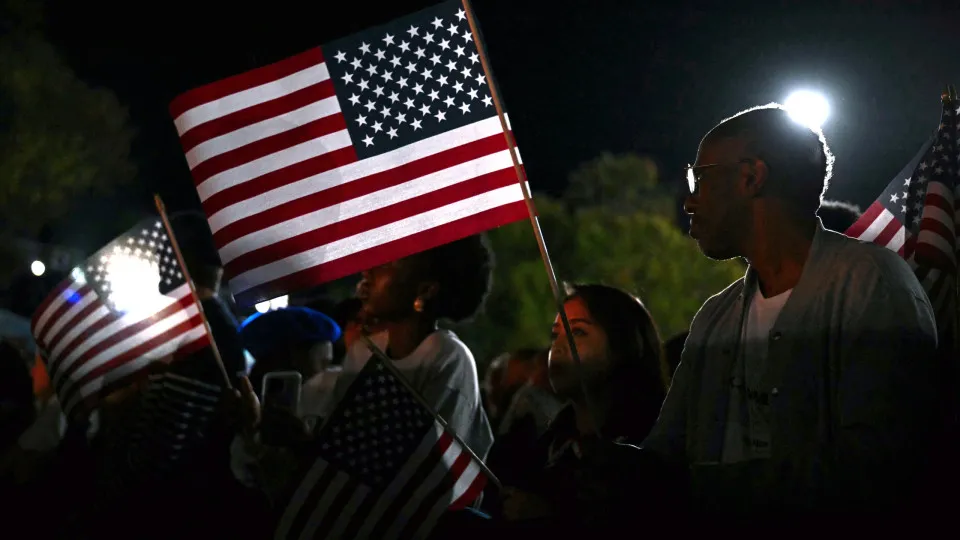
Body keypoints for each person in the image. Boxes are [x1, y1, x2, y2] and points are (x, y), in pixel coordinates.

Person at [645, 104, 939, 522]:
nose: (689, 201)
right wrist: (616, 468)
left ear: (751, 177)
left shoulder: (868, 284)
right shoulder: (716, 315)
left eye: (700, 176)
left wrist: (699, 487)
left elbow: (879, 470)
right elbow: (665, 453)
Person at [486, 284, 678, 532]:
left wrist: (554, 517)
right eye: (555, 335)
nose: (558, 346)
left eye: (577, 332)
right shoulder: (542, 446)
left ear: (625, 346)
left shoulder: (652, 446)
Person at [329, 235, 496, 462]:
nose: (368, 271)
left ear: (426, 290)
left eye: (388, 263)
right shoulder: (362, 353)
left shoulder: (447, 358)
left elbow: (433, 466)